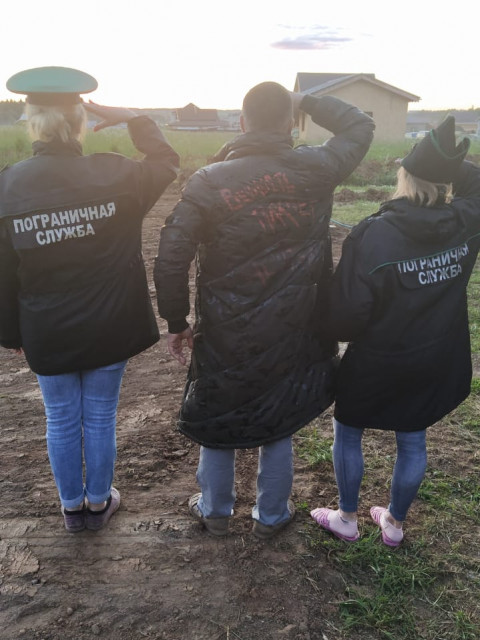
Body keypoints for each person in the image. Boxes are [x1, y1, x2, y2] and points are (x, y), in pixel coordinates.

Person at [154, 81, 374, 538]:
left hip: (225, 327)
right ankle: (271, 516)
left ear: (241, 123)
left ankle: (215, 511)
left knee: (217, 409)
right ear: (291, 123)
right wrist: (306, 100)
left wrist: (177, 321)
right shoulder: (317, 167)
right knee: (280, 412)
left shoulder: (209, 180)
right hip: (296, 323)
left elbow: (172, 253)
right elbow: (358, 125)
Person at [0, 66, 179, 533]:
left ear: (32, 122)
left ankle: (71, 508)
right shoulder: (118, 172)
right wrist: (135, 118)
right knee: (99, 417)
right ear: (81, 121)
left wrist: (11, 333)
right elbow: (166, 161)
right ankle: (98, 504)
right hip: (110, 323)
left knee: (61, 419)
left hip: (46, 328)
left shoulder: (7, 185)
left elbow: (3, 273)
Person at [311, 116, 480, 546]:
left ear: (404, 175)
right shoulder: (466, 218)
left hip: (378, 360)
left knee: (348, 429)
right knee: (413, 439)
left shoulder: (372, 235)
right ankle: (394, 524)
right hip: (436, 356)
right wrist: (445, 163)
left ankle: (346, 518)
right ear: (445, 181)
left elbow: (346, 318)